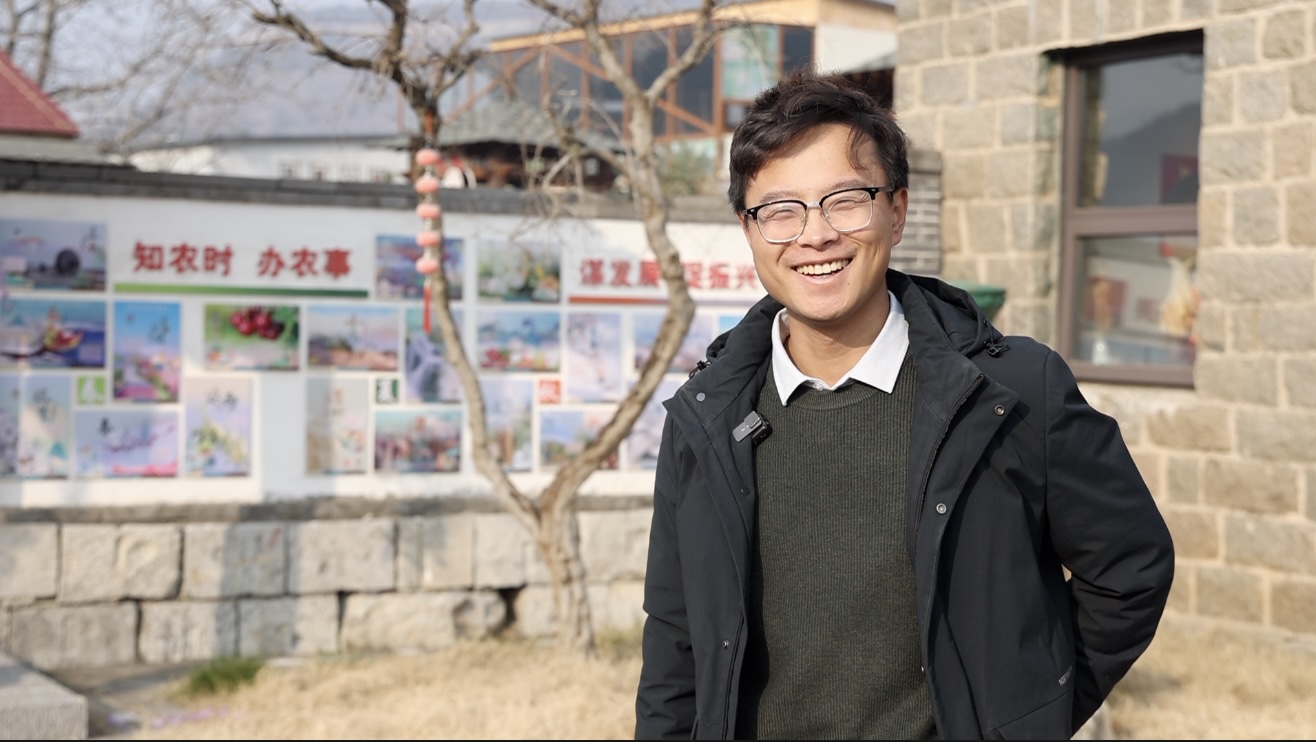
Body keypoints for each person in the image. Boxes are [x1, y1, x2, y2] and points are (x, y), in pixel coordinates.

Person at [634, 66, 1175, 741]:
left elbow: (1130, 568)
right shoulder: (706, 415)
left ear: (896, 210)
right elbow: (676, 638)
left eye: (845, 200)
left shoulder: (1012, 393)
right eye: (780, 210)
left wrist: (1026, 717)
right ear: (749, 229)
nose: (814, 235)